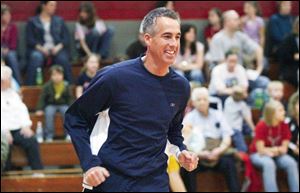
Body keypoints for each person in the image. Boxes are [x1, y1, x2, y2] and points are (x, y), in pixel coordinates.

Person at [64, 8, 198, 192]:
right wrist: (90, 164)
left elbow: (173, 130)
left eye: (177, 37)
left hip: (154, 182)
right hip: (110, 179)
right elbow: (75, 118)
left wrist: (181, 151)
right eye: (167, 36)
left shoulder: (181, 86)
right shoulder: (114, 77)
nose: (174, 43)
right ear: (148, 39)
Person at [181, 87, 240, 192]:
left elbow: (227, 136)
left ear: (209, 100)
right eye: (199, 100)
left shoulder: (218, 114)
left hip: (217, 152)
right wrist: (201, 154)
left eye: (205, 99)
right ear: (193, 103)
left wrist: (219, 150)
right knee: (188, 166)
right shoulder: (189, 118)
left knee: (230, 163)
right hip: (198, 154)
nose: (202, 102)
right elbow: (185, 142)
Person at [208, 10, 269, 91]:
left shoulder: (240, 36)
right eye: (236, 19)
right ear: (227, 22)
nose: (239, 22)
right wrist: (239, 74)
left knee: (264, 82)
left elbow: (258, 49)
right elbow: (221, 62)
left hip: (240, 73)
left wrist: (258, 69)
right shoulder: (217, 38)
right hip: (225, 76)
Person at [250, 100, 299, 192]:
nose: (284, 112)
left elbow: (284, 149)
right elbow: (260, 150)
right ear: (272, 113)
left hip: (276, 154)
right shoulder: (261, 125)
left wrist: (273, 150)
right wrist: (276, 149)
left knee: (291, 163)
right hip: (257, 155)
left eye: (283, 110)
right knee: (269, 164)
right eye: (280, 110)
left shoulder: (284, 125)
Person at [1, 65, 43, 171]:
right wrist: (4, 131)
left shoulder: (14, 94)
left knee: (32, 141)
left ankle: (38, 172)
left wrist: (26, 125)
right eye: (8, 79)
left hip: (18, 129)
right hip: (3, 131)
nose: (10, 81)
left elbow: (22, 110)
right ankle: (7, 175)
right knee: (5, 145)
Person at [26, 1, 72, 85]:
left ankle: (70, 86)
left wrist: (57, 47)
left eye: (55, 5)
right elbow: (30, 40)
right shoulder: (32, 21)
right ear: (44, 6)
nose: (54, 7)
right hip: (40, 49)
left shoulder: (59, 20)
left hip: (56, 49)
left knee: (63, 59)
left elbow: (66, 38)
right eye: (51, 5)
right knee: (36, 57)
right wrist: (42, 49)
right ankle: (30, 87)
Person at [36, 65, 73, 142]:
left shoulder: (66, 85)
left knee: (67, 112)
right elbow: (42, 98)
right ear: (51, 76)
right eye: (54, 75)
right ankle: (49, 135)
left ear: (63, 75)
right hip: (51, 105)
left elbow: (70, 98)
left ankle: (68, 134)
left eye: (59, 74)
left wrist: (72, 108)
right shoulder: (47, 86)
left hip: (63, 104)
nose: (57, 77)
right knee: (49, 113)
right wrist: (39, 109)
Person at [224, 86, 255, 153]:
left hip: (229, 126)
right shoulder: (242, 105)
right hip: (235, 129)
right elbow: (248, 120)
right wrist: (255, 130)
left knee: (247, 129)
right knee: (243, 149)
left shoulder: (228, 100)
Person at [1, 4, 22, 84]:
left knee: (11, 56)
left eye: (9, 14)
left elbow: (14, 44)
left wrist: (7, 49)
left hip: (11, 50)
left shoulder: (13, 27)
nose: (8, 16)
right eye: (6, 14)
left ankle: (18, 83)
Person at [278, 17, 299, 88]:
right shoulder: (289, 39)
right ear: (296, 26)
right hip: (291, 66)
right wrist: (294, 56)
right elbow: (282, 55)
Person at [287, 92, 299, 163]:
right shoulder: (288, 122)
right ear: (294, 106)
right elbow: (285, 140)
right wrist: (294, 148)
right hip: (291, 152)